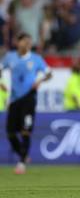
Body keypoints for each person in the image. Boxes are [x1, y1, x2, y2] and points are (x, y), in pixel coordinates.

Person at [0, 32, 52, 174]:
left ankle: (21, 163)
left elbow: (49, 73)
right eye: (24, 41)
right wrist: (1, 83)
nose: (27, 44)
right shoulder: (10, 57)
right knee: (10, 133)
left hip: (29, 98)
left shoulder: (36, 59)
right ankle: (24, 155)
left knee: (25, 131)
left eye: (29, 42)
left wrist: (40, 81)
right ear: (18, 42)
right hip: (15, 99)